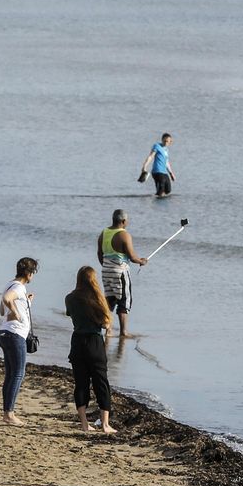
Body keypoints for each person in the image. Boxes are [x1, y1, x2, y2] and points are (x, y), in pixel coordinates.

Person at [64, 266, 114, 433]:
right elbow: (105, 323)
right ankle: (105, 424)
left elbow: (70, 314)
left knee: (81, 383)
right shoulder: (97, 299)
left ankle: (84, 423)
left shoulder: (70, 298)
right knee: (101, 382)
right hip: (94, 342)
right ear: (93, 280)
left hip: (77, 342)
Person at [0, 257, 37, 425]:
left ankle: (7, 412)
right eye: (33, 273)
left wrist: (25, 303)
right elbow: (7, 299)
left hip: (5, 333)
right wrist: (17, 312)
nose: (33, 276)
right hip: (15, 335)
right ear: (28, 273)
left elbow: (1, 310)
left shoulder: (10, 284)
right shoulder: (19, 287)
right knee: (18, 374)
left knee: (11, 375)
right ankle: (9, 414)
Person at [96, 209, 148, 338]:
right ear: (123, 221)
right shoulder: (124, 235)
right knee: (124, 299)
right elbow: (131, 256)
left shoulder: (104, 233)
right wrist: (141, 261)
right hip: (120, 271)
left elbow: (99, 253)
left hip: (106, 270)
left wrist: (105, 265)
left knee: (110, 298)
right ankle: (123, 331)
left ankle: (108, 328)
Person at [140, 132, 175, 198]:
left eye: (167, 141)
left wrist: (171, 173)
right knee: (161, 190)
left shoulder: (166, 150)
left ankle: (158, 198)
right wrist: (144, 166)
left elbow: (166, 162)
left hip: (164, 172)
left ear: (170, 142)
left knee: (168, 190)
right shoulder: (157, 146)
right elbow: (151, 156)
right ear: (162, 140)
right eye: (164, 141)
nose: (165, 143)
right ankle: (157, 203)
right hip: (157, 171)